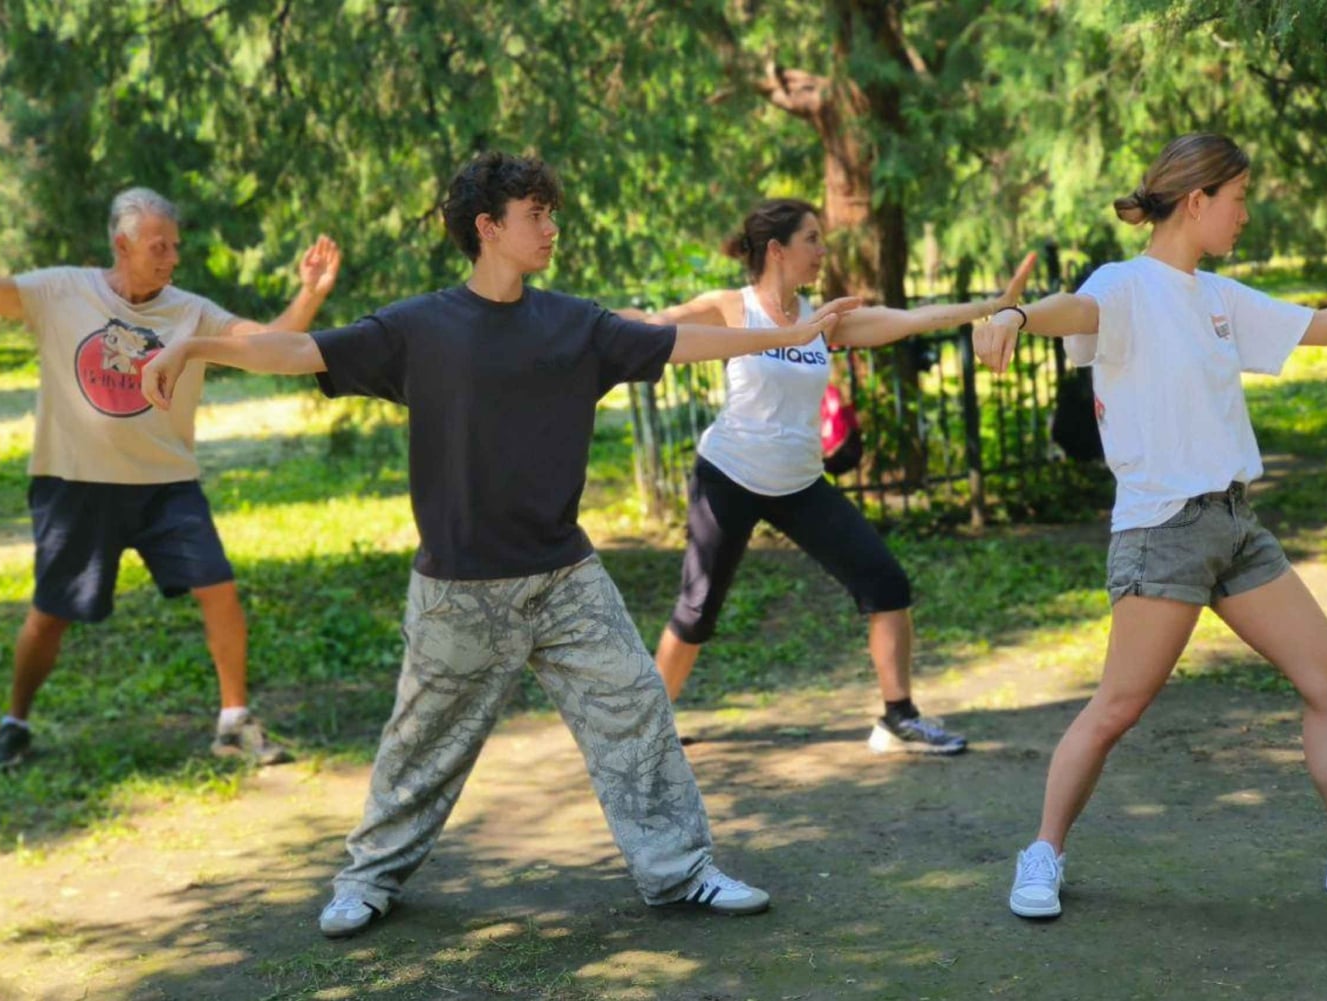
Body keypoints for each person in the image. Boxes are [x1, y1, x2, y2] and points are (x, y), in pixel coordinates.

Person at [141, 152, 857, 937]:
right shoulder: (418, 327)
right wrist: (192, 347)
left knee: (637, 706)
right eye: (535, 215)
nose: (551, 228)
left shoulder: (575, 323)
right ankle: (369, 878)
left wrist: (784, 334)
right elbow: (296, 351)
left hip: (565, 575)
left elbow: (680, 342)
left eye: (551, 213)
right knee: (421, 745)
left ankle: (681, 870)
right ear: (488, 228)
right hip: (459, 587)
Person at [970, 133, 1327, 919]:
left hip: (1235, 525)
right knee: (1118, 706)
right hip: (1164, 529)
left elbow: (1319, 325)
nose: (1246, 214)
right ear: (1197, 200)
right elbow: (1074, 310)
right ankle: (1042, 853)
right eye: (1238, 198)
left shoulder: (1217, 297)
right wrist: (1018, 313)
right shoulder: (1125, 284)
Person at [0, 188, 341, 769]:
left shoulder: (190, 311)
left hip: (165, 483)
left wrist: (308, 297)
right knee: (50, 614)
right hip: (74, 483)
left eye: (175, 246)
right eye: (158, 246)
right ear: (122, 245)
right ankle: (14, 721)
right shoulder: (60, 290)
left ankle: (233, 722)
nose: (172, 258)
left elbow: (265, 346)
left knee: (218, 589)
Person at [627, 198, 1035, 755]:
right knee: (697, 608)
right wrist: (575, 322)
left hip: (799, 483)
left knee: (885, 583)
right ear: (777, 250)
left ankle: (899, 718)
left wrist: (990, 305)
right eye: (812, 240)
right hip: (729, 474)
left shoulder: (823, 320)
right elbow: (658, 325)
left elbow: (909, 319)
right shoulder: (732, 306)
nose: (823, 252)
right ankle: (648, 727)